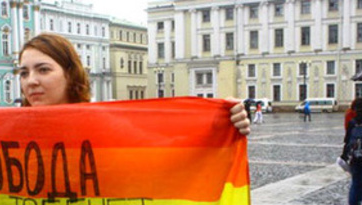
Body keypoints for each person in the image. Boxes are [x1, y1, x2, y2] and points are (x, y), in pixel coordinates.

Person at [19, 33, 251, 134]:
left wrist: (223, 123)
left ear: (70, 74)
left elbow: (172, 148)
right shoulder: (10, 133)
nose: (31, 81)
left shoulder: (106, 125)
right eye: (23, 72)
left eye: (43, 70)